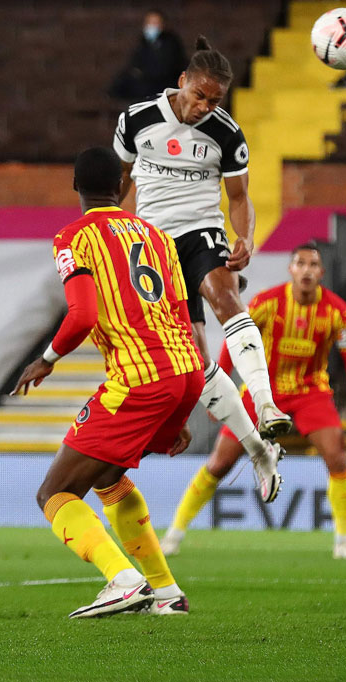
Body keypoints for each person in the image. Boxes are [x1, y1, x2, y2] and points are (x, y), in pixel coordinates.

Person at [12, 146, 204, 617]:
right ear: (121, 187)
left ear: (75, 187)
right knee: (109, 477)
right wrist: (178, 406)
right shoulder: (159, 238)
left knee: (54, 493)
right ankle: (166, 593)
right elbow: (183, 317)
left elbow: (82, 315)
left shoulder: (73, 237)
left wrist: (46, 359)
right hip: (186, 371)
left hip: (140, 377)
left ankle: (123, 580)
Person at [113, 36, 291, 500]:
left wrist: (245, 237)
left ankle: (267, 404)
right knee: (195, 358)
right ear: (182, 82)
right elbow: (120, 184)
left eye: (215, 100)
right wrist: (111, 236)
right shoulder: (136, 120)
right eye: (199, 96)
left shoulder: (226, 133)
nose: (205, 107)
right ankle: (259, 450)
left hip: (201, 232)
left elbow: (239, 197)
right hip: (153, 246)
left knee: (225, 298)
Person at [161, 242, 346, 561]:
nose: (306, 270)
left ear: (321, 272)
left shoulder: (337, 311)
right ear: (291, 269)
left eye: (313, 264)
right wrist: (218, 389)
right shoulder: (267, 302)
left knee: (338, 458)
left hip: (310, 392)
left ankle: (344, 542)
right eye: (300, 263)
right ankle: (173, 535)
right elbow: (234, 341)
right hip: (263, 391)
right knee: (219, 464)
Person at [109, 9, 187, 101]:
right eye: (149, 23)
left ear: (163, 25)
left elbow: (167, 68)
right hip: (145, 86)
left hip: (162, 86)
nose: (152, 27)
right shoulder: (142, 43)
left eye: (155, 23)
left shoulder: (171, 44)